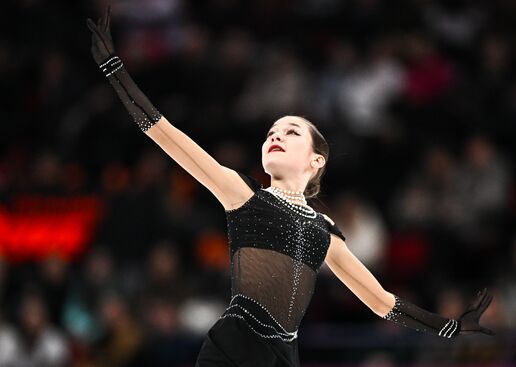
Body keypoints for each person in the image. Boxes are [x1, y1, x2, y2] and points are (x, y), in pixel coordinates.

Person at [86, 6, 494, 366]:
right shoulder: (241, 194)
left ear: (317, 160)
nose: (275, 135)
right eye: (270, 132)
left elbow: (382, 302)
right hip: (233, 348)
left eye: (291, 131)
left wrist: (450, 328)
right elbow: (165, 133)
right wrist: (114, 69)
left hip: (284, 356)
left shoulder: (326, 232)